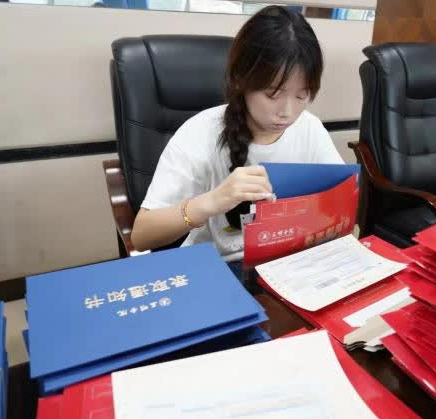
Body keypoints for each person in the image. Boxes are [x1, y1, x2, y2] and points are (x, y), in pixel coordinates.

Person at [131, 5, 344, 263]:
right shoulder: (200, 133)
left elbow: (341, 200)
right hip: (217, 266)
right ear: (242, 80)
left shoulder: (309, 128)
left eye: (302, 95)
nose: (287, 113)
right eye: (273, 94)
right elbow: (141, 235)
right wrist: (213, 201)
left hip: (286, 263)